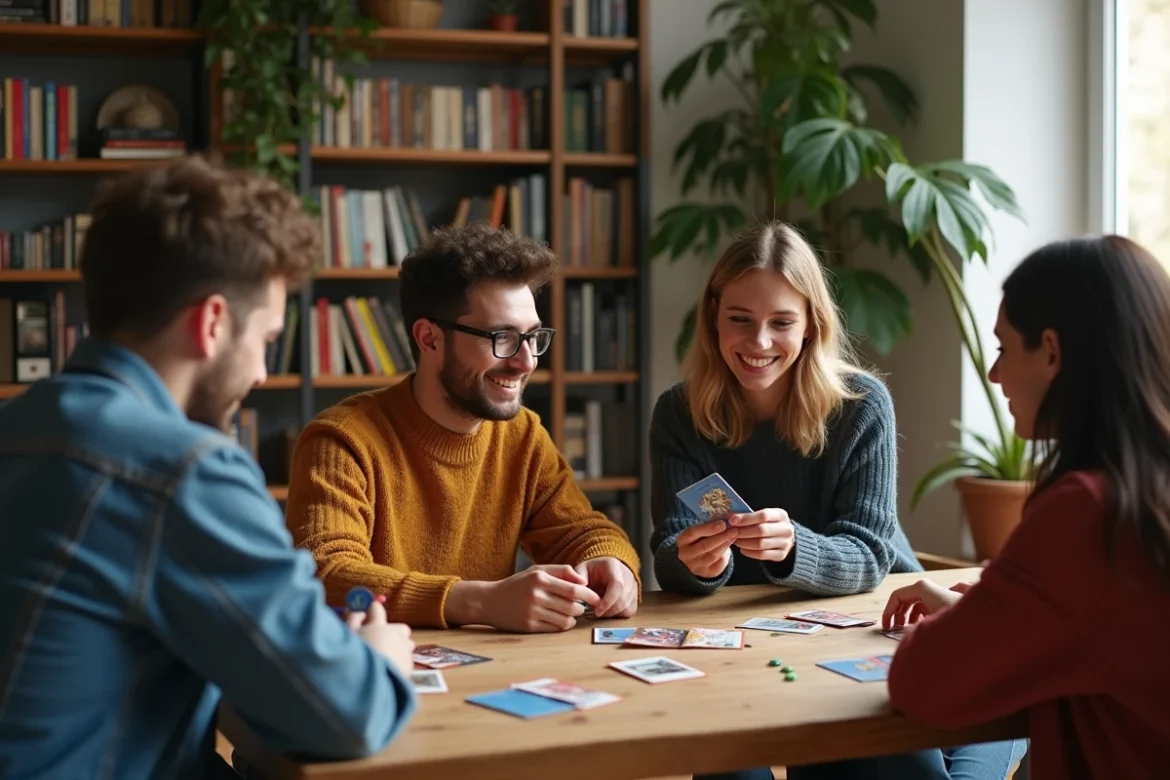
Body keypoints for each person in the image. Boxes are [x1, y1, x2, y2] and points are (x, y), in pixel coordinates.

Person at [0, 157, 418, 780]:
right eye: (267, 340)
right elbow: (348, 713)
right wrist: (380, 657)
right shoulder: (181, 472)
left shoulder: (21, 425)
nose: (261, 375)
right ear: (213, 323)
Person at [649, 220, 1026, 780]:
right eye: (740, 320)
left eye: (782, 323)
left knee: (930, 763)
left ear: (810, 327)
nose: (758, 343)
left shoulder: (860, 404)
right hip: (754, 641)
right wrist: (696, 563)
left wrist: (793, 547)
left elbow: (871, 554)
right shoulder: (679, 412)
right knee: (732, 763)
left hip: (877, 618)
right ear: (712, 318)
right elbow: (669, 554)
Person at [884, 235, 1170, 780]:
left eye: (1002, 349)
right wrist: (997, 614)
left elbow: (921, 682)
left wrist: (976, 622)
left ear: (1052, 352)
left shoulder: (1086, 514)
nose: (994, 376)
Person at [284, 222, 641, 633]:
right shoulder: (342, 440)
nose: (526, 362)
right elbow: (327, 573)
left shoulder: (522, 435)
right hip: (379, 677)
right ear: (430, 339)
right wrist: (479, 601)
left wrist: (612, 562)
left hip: (491, 673)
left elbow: (583, 530)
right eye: (503, 338)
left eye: (533, 337)